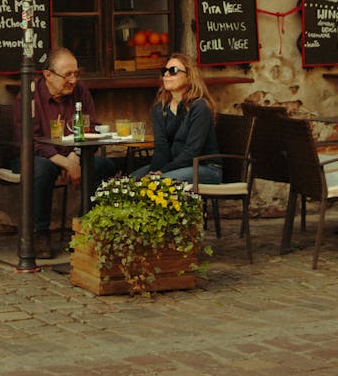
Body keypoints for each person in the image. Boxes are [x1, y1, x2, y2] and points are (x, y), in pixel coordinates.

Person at [12, 46, 116, 259]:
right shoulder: (29, 96)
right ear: (48, 75)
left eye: (76, 73)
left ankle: (84, 228)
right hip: (37, 157)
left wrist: (75, 157)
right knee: (41, 169)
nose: (73, 80)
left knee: (106, 167)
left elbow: (91, 128)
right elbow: (30, 141)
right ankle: (40, 233)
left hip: (73, 154)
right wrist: (64, 162)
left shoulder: (81, 91)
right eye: (67, 75)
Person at [134, 52, 222, 184]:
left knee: (157, 183)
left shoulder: (199, 107)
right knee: (129, 182)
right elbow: (161, 148)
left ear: (189, 76)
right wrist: (153, 172)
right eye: (164, 71)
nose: (166, 75)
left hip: (204, 168)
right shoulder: (159, 109)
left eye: (173, 71)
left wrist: (161, 172)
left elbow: (192, 151)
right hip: (175, 166)